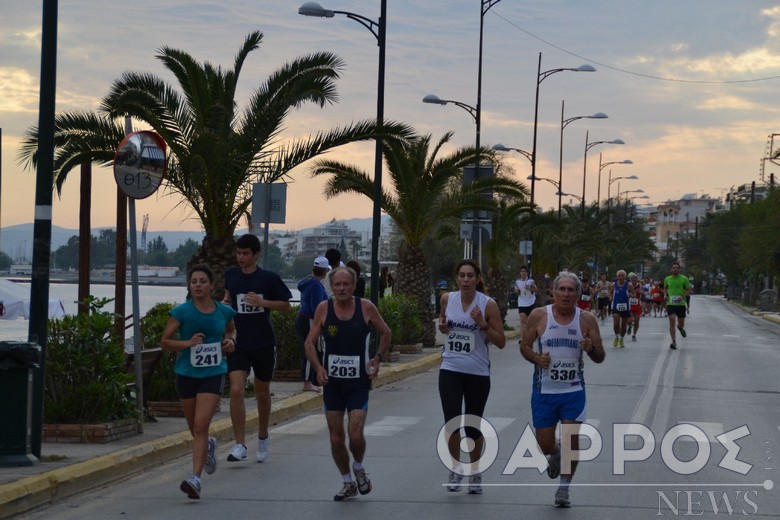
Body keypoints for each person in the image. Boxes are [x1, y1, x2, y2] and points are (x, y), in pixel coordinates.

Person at [304, 267, 392, 501]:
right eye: (337, 285)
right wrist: (318, 368)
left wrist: (377, 359)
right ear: (331, 287)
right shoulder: (324, 309)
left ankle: (359, 467)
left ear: (353, 286)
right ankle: (346, 481)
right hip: (332, 384)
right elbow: (309, 343)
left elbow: (385, 332)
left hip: (358, 383)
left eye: (346, 284)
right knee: (335, 436)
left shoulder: (365, 307)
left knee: (355, 434)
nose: (341, 289)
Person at [520, 271, 605, 508]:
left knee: (571, 439)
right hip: (544, 391)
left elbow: (600, 356)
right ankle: (555, 455)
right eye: (562, 289)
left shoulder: (586, 319)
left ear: (578, 294)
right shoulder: (539, 316)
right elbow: (524, 346)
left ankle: (563, 489)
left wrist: (590, 349)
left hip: (573, 391)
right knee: (545, 444)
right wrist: (537, 359)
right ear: (553, 293)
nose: (566, 294)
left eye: (571, 290)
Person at [160, 264, 237, 499]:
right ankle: (210, 445)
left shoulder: (224, 312)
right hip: (186, 373)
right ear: (189, 285)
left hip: (213, 373)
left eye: (203, 281)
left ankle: (195, 479)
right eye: (194, 282)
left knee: (201, 425)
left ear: (212, 285)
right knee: (195, 428)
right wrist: (187, 344)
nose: (198, 285)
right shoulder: (181, 312)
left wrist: (230, 342)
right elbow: (165, 341)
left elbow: (232, 331)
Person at [438, 260, 506, 495]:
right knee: (452, 422)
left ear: (478, 278)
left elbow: (501, 342)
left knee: (472, 426)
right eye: (462, 276)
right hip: (450, 367)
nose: (465, 280)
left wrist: (482, 324)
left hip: (477, 371)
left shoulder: (488, 304)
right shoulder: (448, 299)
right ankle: (456, 468)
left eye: (470, 276)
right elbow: (443, 322)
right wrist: (444, 327)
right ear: (457, 278)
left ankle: (475, 472)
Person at [222, 234, 292, 463]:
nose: (241, 258)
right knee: (236, 389)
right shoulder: (231, 275)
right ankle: (240, 444)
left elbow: (285, 305)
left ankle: (263, 436)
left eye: (245, 254)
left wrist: (263, 303)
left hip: (263, 342)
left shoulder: (268, 278)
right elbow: (228, 298)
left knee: (262, 392)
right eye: (238, 253)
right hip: (239, 342)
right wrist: (225, 305)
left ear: (256, 255)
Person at [295, 256, 330, 393]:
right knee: (310, 350)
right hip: (309, 320)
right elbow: (317, 308)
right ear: (325, 271)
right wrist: (321, 324)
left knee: (307, 349)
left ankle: (309, 380)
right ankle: (307, 383)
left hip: (302, 317)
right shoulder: (315, 285)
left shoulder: (307, 281)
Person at [663, 262, 692, 350]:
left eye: (676, 268)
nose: (675, 269)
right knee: (672, 320)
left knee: (681, 324)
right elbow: (665, 288)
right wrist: (665, 295)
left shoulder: (684, 279)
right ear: (671, 269)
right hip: (671, 303)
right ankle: (674, 342)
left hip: (681, 304)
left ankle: (680, 328)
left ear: (679, 269)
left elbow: (689, 289)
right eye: (673, 268)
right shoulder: (667, 279)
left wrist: (682, 297)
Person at [609, 270, 633, 348]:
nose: (620, 277)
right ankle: (616, 336)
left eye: (622, 275)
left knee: (623, 325)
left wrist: (630, 294)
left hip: (626, 307)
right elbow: (610, 292)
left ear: (625, 276)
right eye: (619, 275)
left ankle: (622, 339)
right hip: (615, 306)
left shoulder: (629, 285)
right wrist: (610, 297)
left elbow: (634, 293)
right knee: (616, 323)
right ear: (617, 276)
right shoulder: (613, 284)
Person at [514, 265, 538, 332]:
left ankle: (530, 336)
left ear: (526, 273)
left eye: (524, 271)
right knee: (522, 321)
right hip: (522, 302)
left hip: (530, 302)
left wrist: (529, 288)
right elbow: (516, 290)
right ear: (520, 273)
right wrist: (516, 290)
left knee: (529, 321)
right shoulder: (517, 282)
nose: (523, 273)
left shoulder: (531, 281)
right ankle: (522, 338)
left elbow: (536, 290)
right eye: (522, 271)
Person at [628, 273, 643, 341]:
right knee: (630, 321)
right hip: (629, 305)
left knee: (637, 321)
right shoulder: (628, 286)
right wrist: (629, 294)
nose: (634, 279)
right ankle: (630, 326)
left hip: (637, 305)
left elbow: (643, 293)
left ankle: (634, 335)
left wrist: (640, 292)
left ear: (637, 279)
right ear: (631, 279)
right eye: (632, 278)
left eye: (635, 278)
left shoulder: (639, 286)